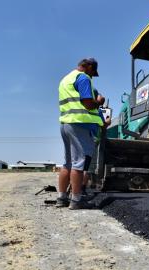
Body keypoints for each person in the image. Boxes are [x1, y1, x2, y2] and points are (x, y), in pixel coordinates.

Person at [56, 58, 105, 209]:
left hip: (66, 124)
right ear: (88, 66)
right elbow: (88, 104)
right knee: (79, 163)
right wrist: (100, 101)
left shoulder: (66, 79)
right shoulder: (83, 77)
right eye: (93, 72)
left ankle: (62, 198)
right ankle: (77, 200)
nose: (92, 76)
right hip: (80, 125)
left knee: (68, 163)